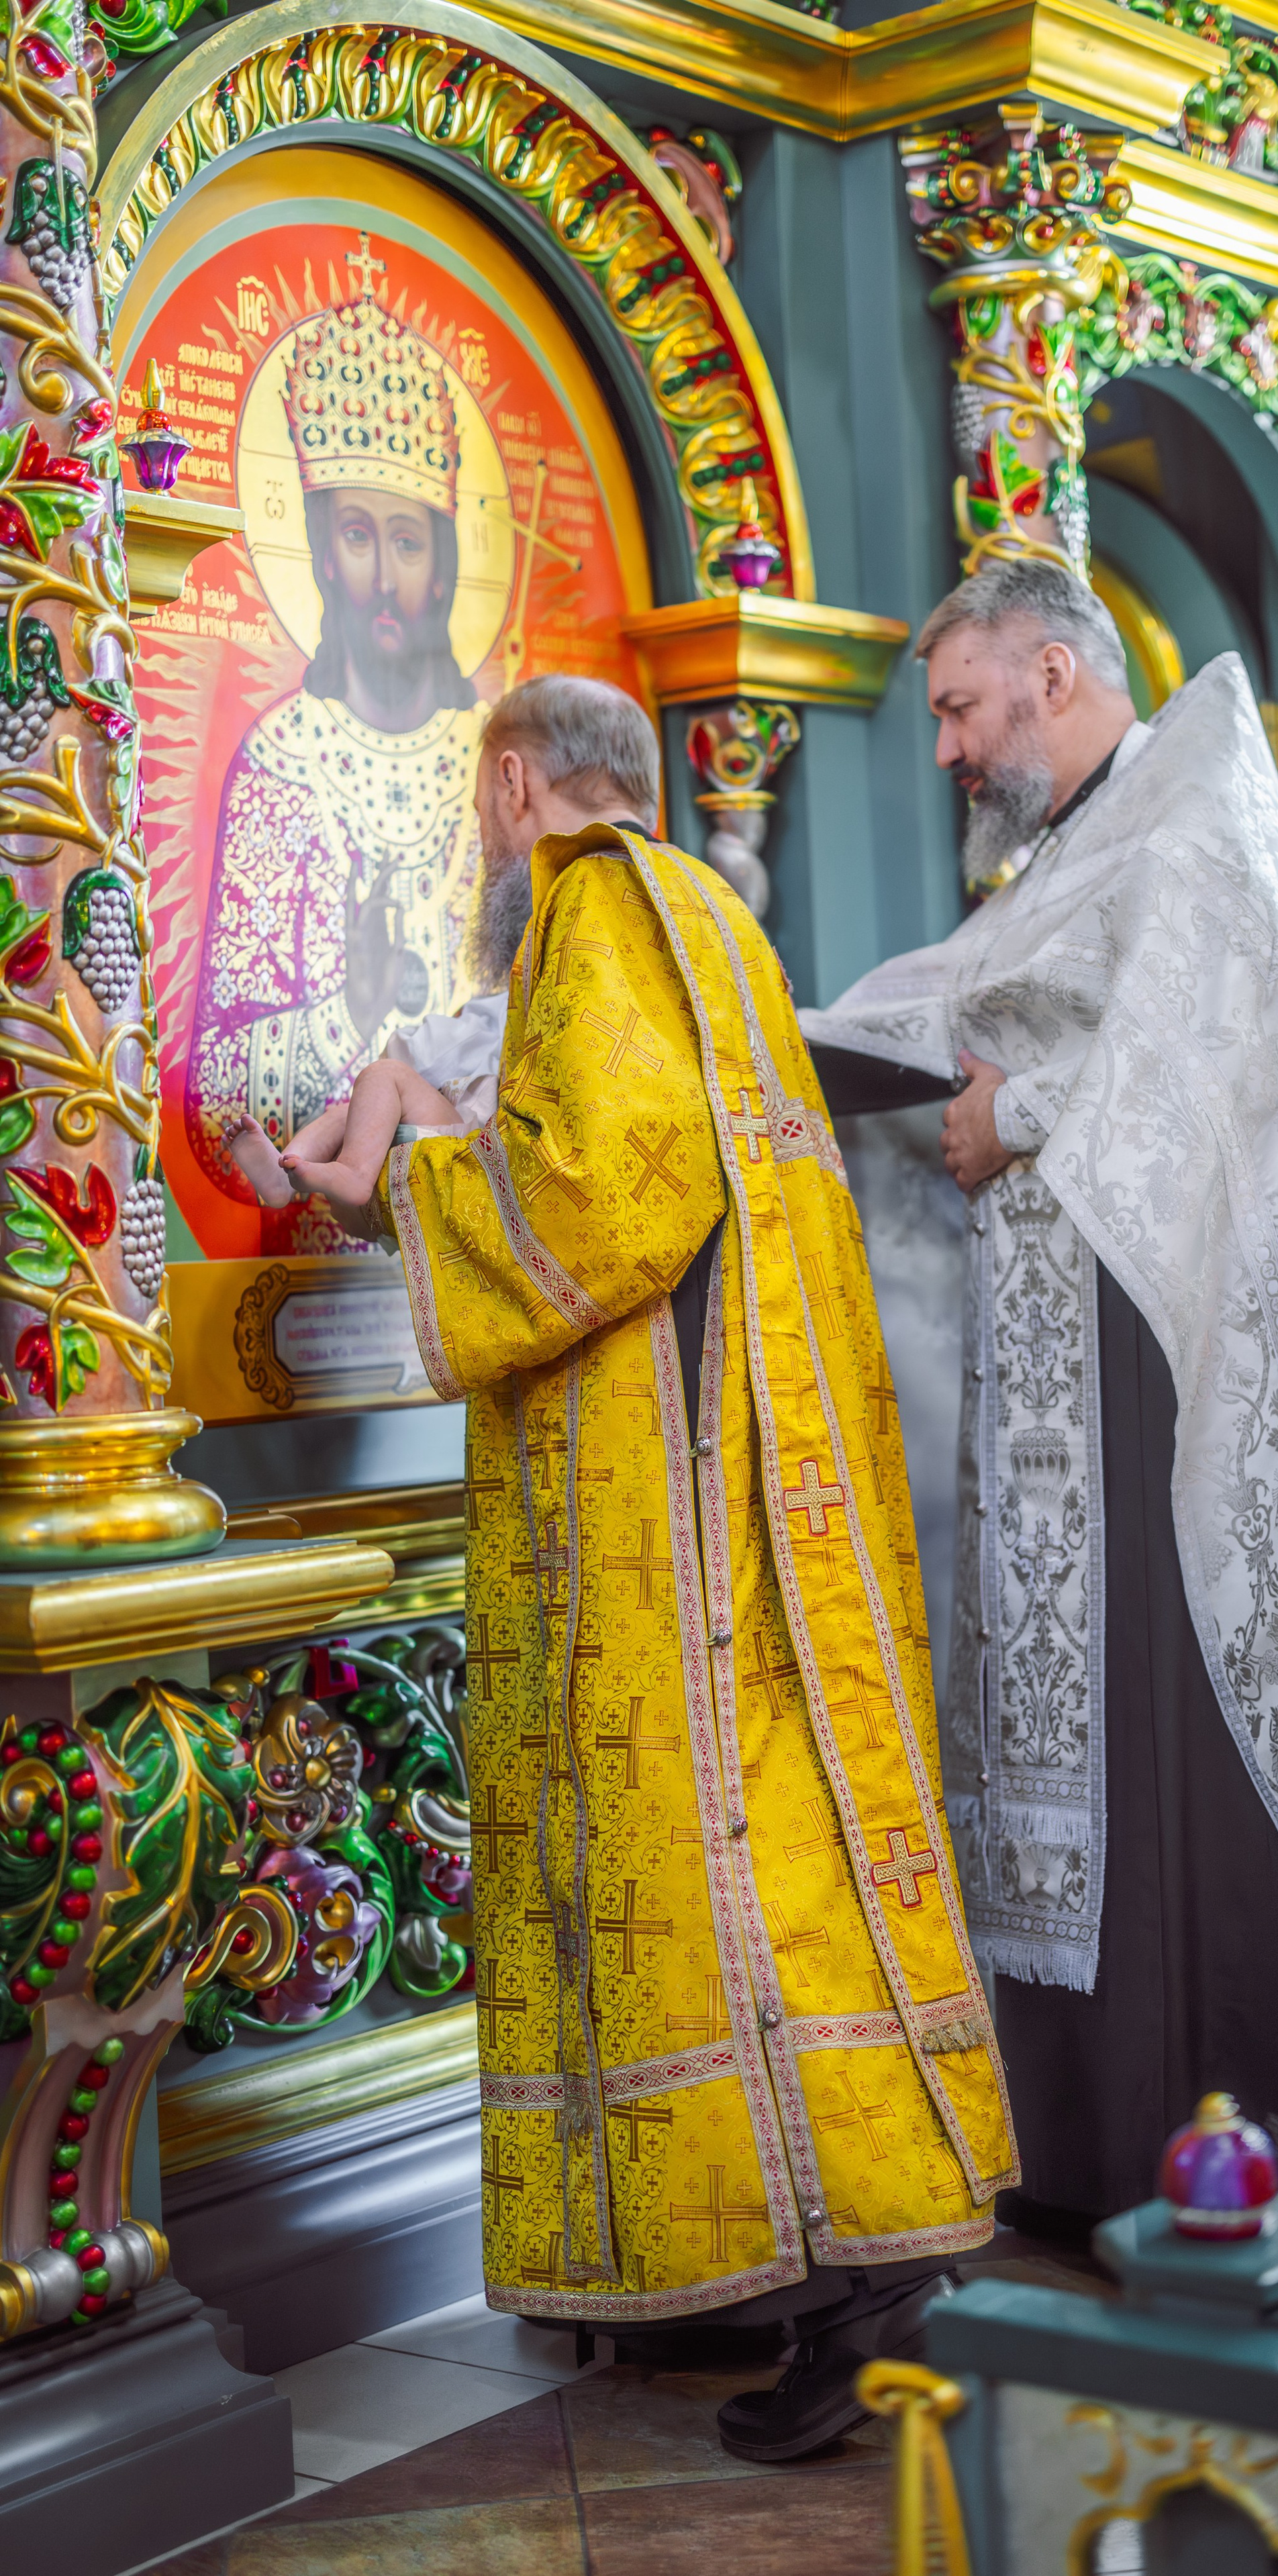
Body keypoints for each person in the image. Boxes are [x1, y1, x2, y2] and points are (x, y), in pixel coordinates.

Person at [801, 560, 1278, 2234]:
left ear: (1050, 673)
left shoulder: (1196, 813)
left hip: (1170, 1364)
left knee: (1187, 1716)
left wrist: (1026, 1108)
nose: (948, 753)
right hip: (1064, 1373)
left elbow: (1225, 1039)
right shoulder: (1075, 847)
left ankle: (1228, 2126)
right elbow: (959, 1008)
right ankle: (1086, 2142)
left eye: (963, 712)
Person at [377, 672, 1017, 2459]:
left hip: (672, 1505)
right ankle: (858, 2270)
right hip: (754, 1477)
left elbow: (606, 1197)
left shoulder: (596, 909)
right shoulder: (711, 910)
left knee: (719, 1874)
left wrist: (403, 1181)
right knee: (784, 1867)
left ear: (516, 787)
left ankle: (840, 2290)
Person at [188, 289, 487, 1250]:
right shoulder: (285, 764)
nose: (387, 578)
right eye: (359, 536)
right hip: (324, 1248)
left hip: (469, 1191)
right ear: (319, 551)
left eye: (408, 540)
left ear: (443, 562)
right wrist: (347, 1011)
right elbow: (219, 1078)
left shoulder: (493, 769)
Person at [226, 989, 507, 1218]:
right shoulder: (506, 1000)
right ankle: (280, 1178)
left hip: (476, 1135)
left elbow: (440, 1052)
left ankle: (354, 1171)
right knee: (346, 1114)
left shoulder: (511, 1008)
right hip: (454, 1115)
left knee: (383, 1075)